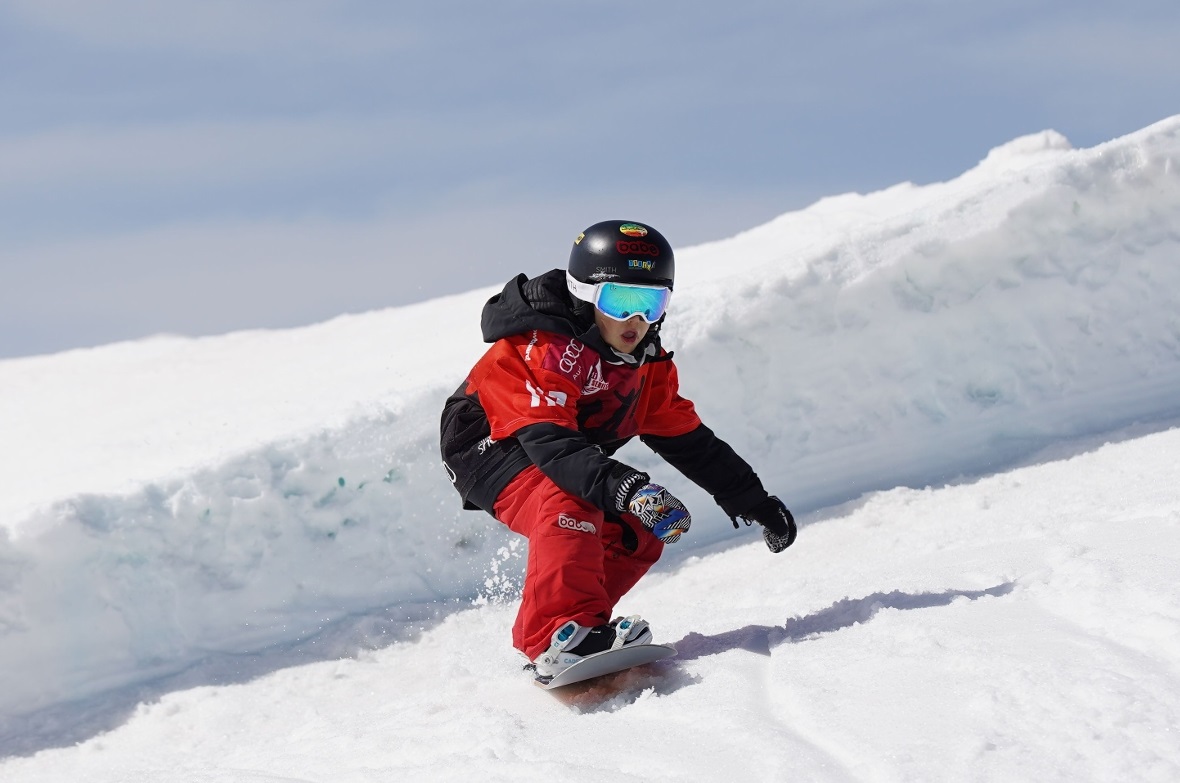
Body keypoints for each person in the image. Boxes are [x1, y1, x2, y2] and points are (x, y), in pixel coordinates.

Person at [440, 219, 796, 682]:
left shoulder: (644, 364)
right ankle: (555, 634)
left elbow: (690, 442)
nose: (636, 320)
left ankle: (578, 628)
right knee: (573, 496)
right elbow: (552, 445)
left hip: (560, 448)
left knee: (639, 528)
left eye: (651, 303)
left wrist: (753, 501)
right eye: (621, 301)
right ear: (586, 295)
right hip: (490, 442)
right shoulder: (541, 349)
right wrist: (625, 487)